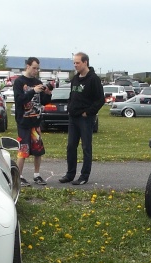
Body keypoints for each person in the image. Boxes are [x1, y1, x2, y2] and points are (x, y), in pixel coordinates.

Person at [59, 52, 105, 185]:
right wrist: (70, 106)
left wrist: (88, 112)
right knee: (71, 146)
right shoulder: (75, 78)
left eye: (77, 62)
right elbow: (72, 95)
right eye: (74, 62)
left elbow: (100, 99)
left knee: (86, 147)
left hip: (85, 119)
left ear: (85, 62)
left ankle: (84, 176)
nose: (75, 65)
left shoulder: (93, 79)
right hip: (73, 118)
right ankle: (70, 174)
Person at [13, 57, 52, 186]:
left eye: (37, 68)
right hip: (24, 121)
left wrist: (48, 93)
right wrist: (32, 91)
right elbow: (19, 99)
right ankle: (19, 176)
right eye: (34, 68)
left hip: (35, 121)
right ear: (27, 66)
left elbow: (43, 101)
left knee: (38, 150)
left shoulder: (38, 81)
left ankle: (37, 174)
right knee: (23, 150)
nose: (36, 70)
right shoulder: (19, 82)